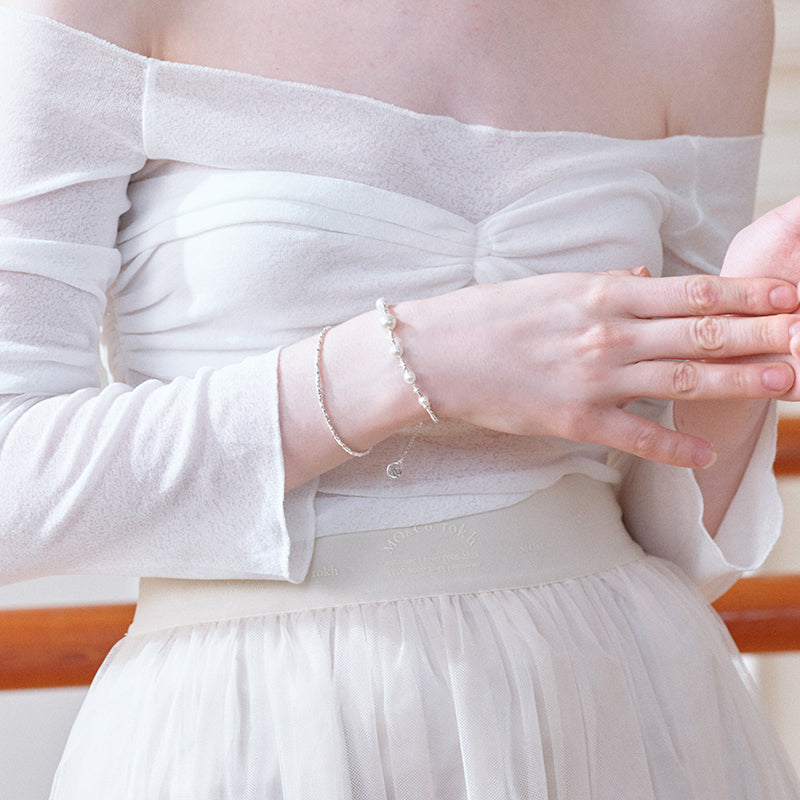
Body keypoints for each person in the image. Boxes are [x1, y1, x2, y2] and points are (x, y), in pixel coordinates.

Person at [1, 0, 799, 797]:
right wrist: (413, 361)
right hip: (263, 726)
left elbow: (671, 536)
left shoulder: (702, 19)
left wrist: (749, 338)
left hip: (618, 705)